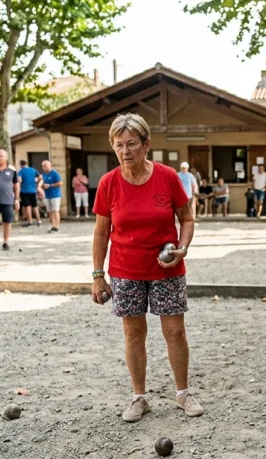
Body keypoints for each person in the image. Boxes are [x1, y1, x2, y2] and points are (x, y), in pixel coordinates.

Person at [90, 113, 202, 422]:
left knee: (175, 331)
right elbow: (101, 232)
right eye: (118, 145)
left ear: (146, 144)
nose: (125, 152)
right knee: (133, 333)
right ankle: (139, 397)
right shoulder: (108, 183)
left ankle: (182, 393)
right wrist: (98, 276)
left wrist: (183, 248)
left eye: (131, 144)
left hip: (167, 269)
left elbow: (187, 218)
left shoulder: (167, 177)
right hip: (126, 270)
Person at [40, 160, 63, 232]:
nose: (44, 167)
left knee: (55, 211)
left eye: (45, 166)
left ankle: (57, 226)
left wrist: (50, 185)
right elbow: (42, 183)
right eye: (43, 166)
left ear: (50, 166)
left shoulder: (54, 173)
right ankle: (53, 225)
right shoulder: (44, 174)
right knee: (50, 211)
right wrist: (42, 186)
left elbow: (60, 183)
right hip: (47, 195)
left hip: (55, 195)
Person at [18, 159, 42, 227]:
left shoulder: (21, 171)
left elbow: (19, 180)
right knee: (35, 206)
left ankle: (30, 221)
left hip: (24, 191)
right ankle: (39, 220)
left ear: (21, 164)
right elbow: (40, 177)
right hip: (33, 190)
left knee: (27, 206)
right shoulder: (33, 169)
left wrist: (20, 184)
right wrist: (36, 183)